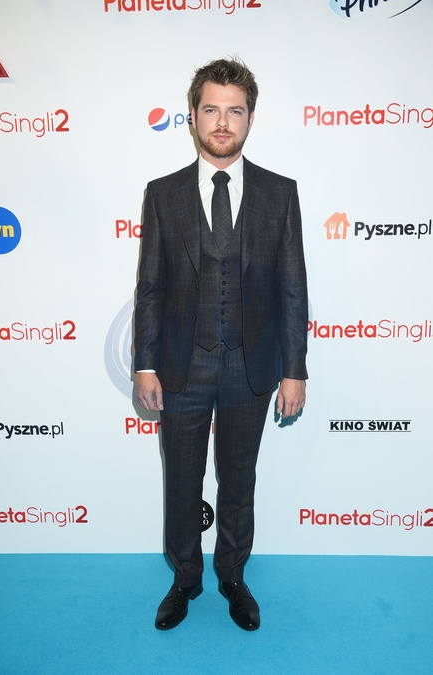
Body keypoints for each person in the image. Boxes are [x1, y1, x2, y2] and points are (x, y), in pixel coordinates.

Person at [134, 57, 308, 631]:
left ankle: (232, 575)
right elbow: (151, 288)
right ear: (192, 116)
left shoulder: (280, 193)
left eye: (235, 111)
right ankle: (185, 579)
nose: (223, 122)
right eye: (211, 109)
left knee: (238, 480)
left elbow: (292, 289)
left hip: (251, 367)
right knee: (182, 481)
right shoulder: (162, 194)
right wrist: (145, 364)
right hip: (181, 366)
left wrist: (295, 370)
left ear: (251, 118)